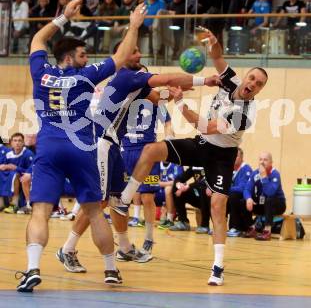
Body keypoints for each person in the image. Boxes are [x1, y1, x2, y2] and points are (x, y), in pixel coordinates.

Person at [114, 27, 268, 286]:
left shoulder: (244, 114)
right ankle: (126, 199)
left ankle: (218, 266)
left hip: (222, 155)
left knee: (218, 206)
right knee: (152, 150)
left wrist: (180, 102)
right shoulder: (231, 80)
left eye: (259, 84)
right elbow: (218, 58)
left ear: (260, 91)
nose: (252, 84)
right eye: (251, 78)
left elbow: (206, 126)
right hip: (201, 145)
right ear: (245, 78)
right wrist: (213, 40)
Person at [15, 0, 147, 292]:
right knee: (94, 211)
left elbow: (38, 38)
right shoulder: (85, 76)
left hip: (49, 147)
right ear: (68, 57)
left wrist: (63, 17)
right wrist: (133, 26)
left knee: (40, 210)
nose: (87, 59)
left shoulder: (41, 72)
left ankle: (32, 268)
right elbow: (123, 55)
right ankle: (111, 270)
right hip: (81, 147)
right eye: (83, 54)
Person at [56, 37, 220, 272]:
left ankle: (124, 246)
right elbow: (167, 78)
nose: (139, 54)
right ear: (122, 56)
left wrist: (176, 92)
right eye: (134, 51)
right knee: (99, 201)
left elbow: (158, 97)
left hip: (116, 147)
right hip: (101, 144)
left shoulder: (134, 83)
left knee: (117, 199)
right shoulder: (124, 76)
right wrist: (206, 80)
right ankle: (68, 249)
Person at [121, 92, 173, 262]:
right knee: (121, 198)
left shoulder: (157, 101)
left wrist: (169, 139)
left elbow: (167, 122)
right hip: (126, 152)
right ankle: (124, 244)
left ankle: (149, 238)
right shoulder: (124, 97)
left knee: (147, 197)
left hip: (148, 152)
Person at [242, 152, 286, 241]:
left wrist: (264, 176)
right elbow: (247, 189)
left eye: (265, 160)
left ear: (271, 162)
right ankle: (251, 227)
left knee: (269, 199)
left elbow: (270, 192)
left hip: (278, 204)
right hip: (263, 203)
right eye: (260, 159)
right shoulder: (255, 173)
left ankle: (267, 231)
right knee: (244, 200)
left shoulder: (275, 174)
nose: (262, 162)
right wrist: (248, 198)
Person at [169, 166, 212, 234]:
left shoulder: (209, 162)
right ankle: (183, 222)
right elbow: (181, 177)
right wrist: (178, 183)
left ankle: (205, 225)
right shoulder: (195, 165)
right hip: (198, 196)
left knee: (204, 189)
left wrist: (188, 186)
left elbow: (206, 181)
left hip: (209, 196)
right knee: (176, 189)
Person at [0, 133, 34, 214]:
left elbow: (31, 170)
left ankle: (14, 204)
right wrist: (3, 166)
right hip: (14, 178)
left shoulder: (28, 154)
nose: (17, 143)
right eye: (15, 141)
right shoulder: (8, 154)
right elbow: (5, 166)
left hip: (27, 180)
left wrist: (16, 168)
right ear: (11, 143)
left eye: (20, 141)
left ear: (23, 143)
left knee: (14, 174)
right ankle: (2, 203)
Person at [227, 148, 252, 237]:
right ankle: (219, 226)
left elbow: (243, 188)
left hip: (244, 196)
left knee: (233, 195)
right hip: (232, 194)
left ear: (241, 158)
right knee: (219, 196)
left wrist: (226, 190)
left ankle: (236, 227)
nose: (233, 158)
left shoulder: (246, 169)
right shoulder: (229, 169)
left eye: (236, 156)